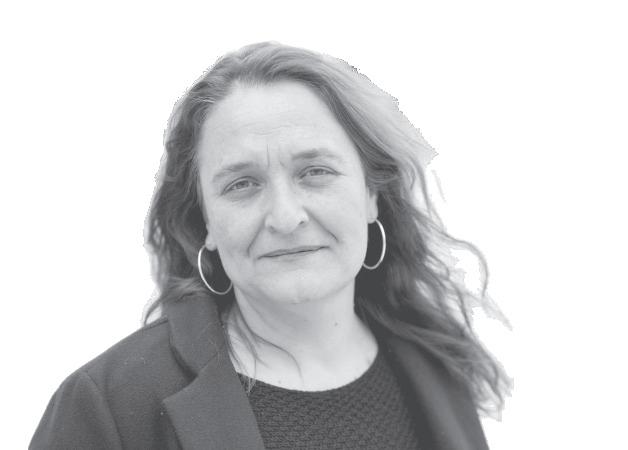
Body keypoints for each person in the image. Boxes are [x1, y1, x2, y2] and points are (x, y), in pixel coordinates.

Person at [31, 41, 510, 449]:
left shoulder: (438, 368)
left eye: (315, 172)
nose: (285, 216)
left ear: (371, 195)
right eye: (242, 184)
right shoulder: (109, 404)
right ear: (205, 220)